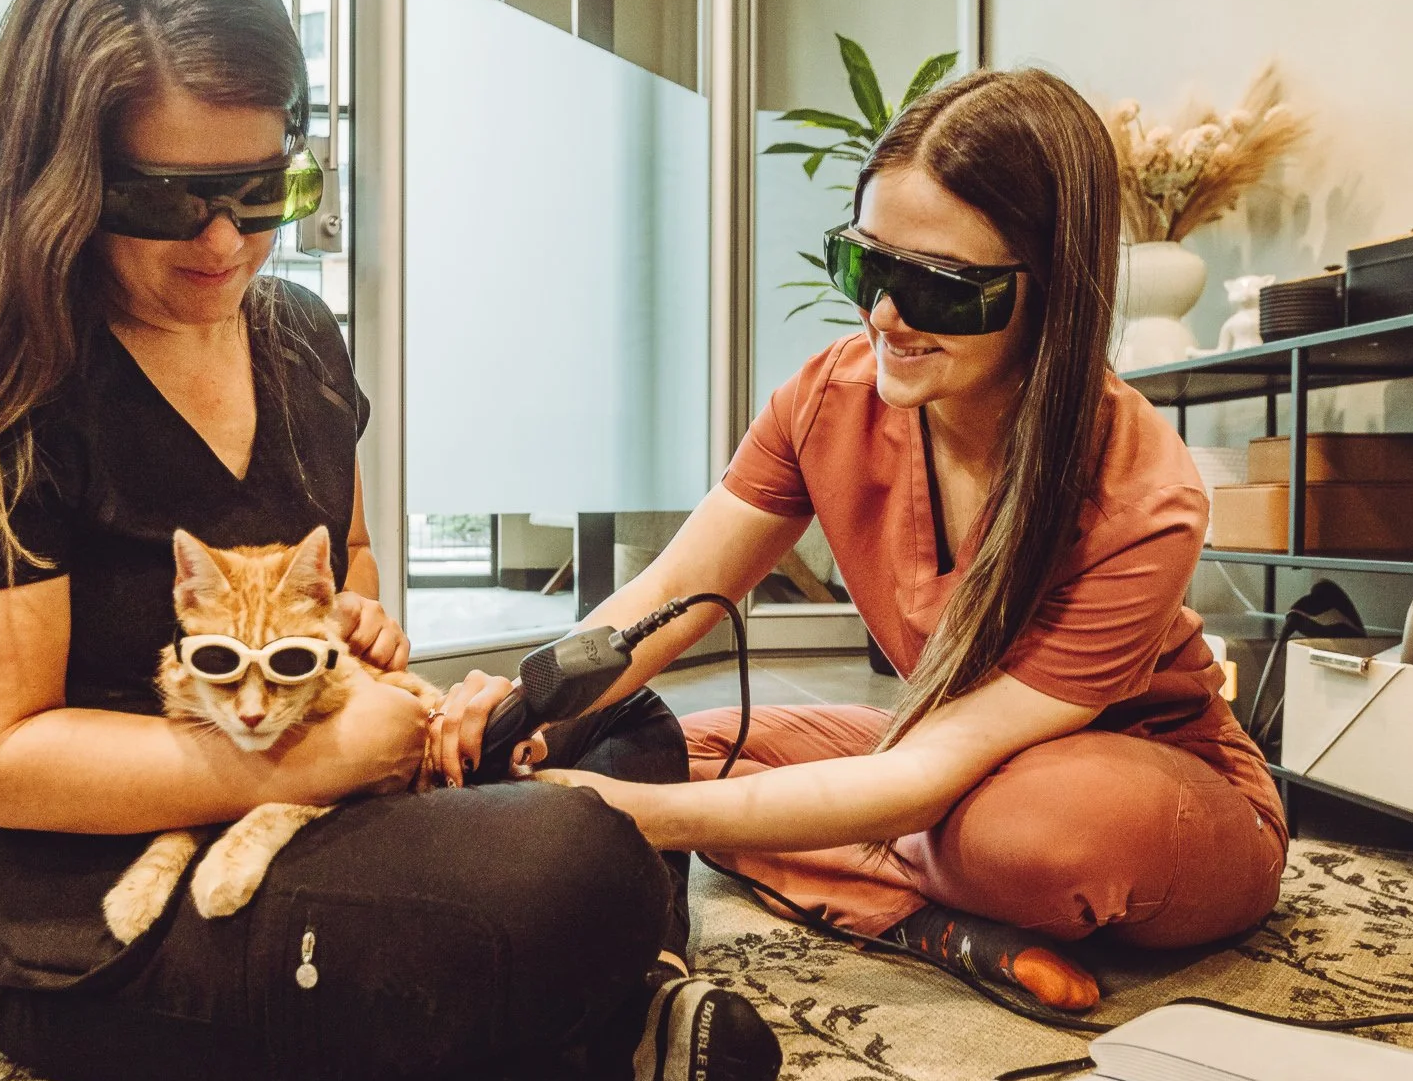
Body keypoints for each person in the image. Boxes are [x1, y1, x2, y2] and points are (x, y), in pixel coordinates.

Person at [0, 0, 780, 1081]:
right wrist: (322, 753)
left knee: (616, 715)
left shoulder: (299, 335)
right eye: (165, 201)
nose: (223, 241)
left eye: (261, 189)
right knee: (569, 860)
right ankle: (620, 989)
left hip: (315, 811)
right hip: (115, 914)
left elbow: (353, 562)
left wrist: (371, 644)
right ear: (58, 181)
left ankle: (608, 992)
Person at [437, 68, 1286, 1011]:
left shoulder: (1143, 489)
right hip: (942, 755)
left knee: (1030, 836)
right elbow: (664, 602)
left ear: (1049, 294)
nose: (884, 315)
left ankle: (879, 872)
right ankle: (942, 928)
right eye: (866, 267)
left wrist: (629, 814)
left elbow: (928, 778)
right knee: (679, 748)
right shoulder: (826, 396)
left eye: (938, 289)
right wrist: (526, 705)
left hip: (1142, 782)